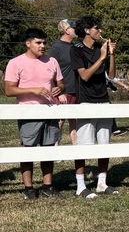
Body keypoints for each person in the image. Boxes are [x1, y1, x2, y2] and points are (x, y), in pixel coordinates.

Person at [3, 28, 64, 201]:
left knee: (48, 149)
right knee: (28, 151)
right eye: (38, 42)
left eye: (44, 42)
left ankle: (47, 186)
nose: (42, 46)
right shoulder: (16, 63)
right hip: (28, 111)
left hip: (50, 110)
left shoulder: (52, 61)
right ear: (28, 43)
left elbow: (60, 83)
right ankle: (28, 188)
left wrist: (60, 88)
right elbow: (9, 90)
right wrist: (34, 90)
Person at [70, 16, 119, 198]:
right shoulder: (76, 50)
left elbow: (111, 76)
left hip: (104, 100)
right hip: (85, 102)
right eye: (97, 28)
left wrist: (111, 55)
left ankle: (101, 183)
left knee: (105, 145)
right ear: (87, 30)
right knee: (84, 146)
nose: (100, 31)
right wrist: (102, 57)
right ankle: (80, 186)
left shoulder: (102, 49)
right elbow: (84, 76)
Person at [47, 19, 79, 145]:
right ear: (66, 30)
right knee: (59, 121)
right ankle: (56, 150)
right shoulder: (56, 47)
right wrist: (58, 91)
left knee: (75, 121)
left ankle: (77, 149)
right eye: (73, 28)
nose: (75, 30)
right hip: (62, 92)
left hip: (75, 90)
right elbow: (50, 71)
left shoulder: (76, 47)